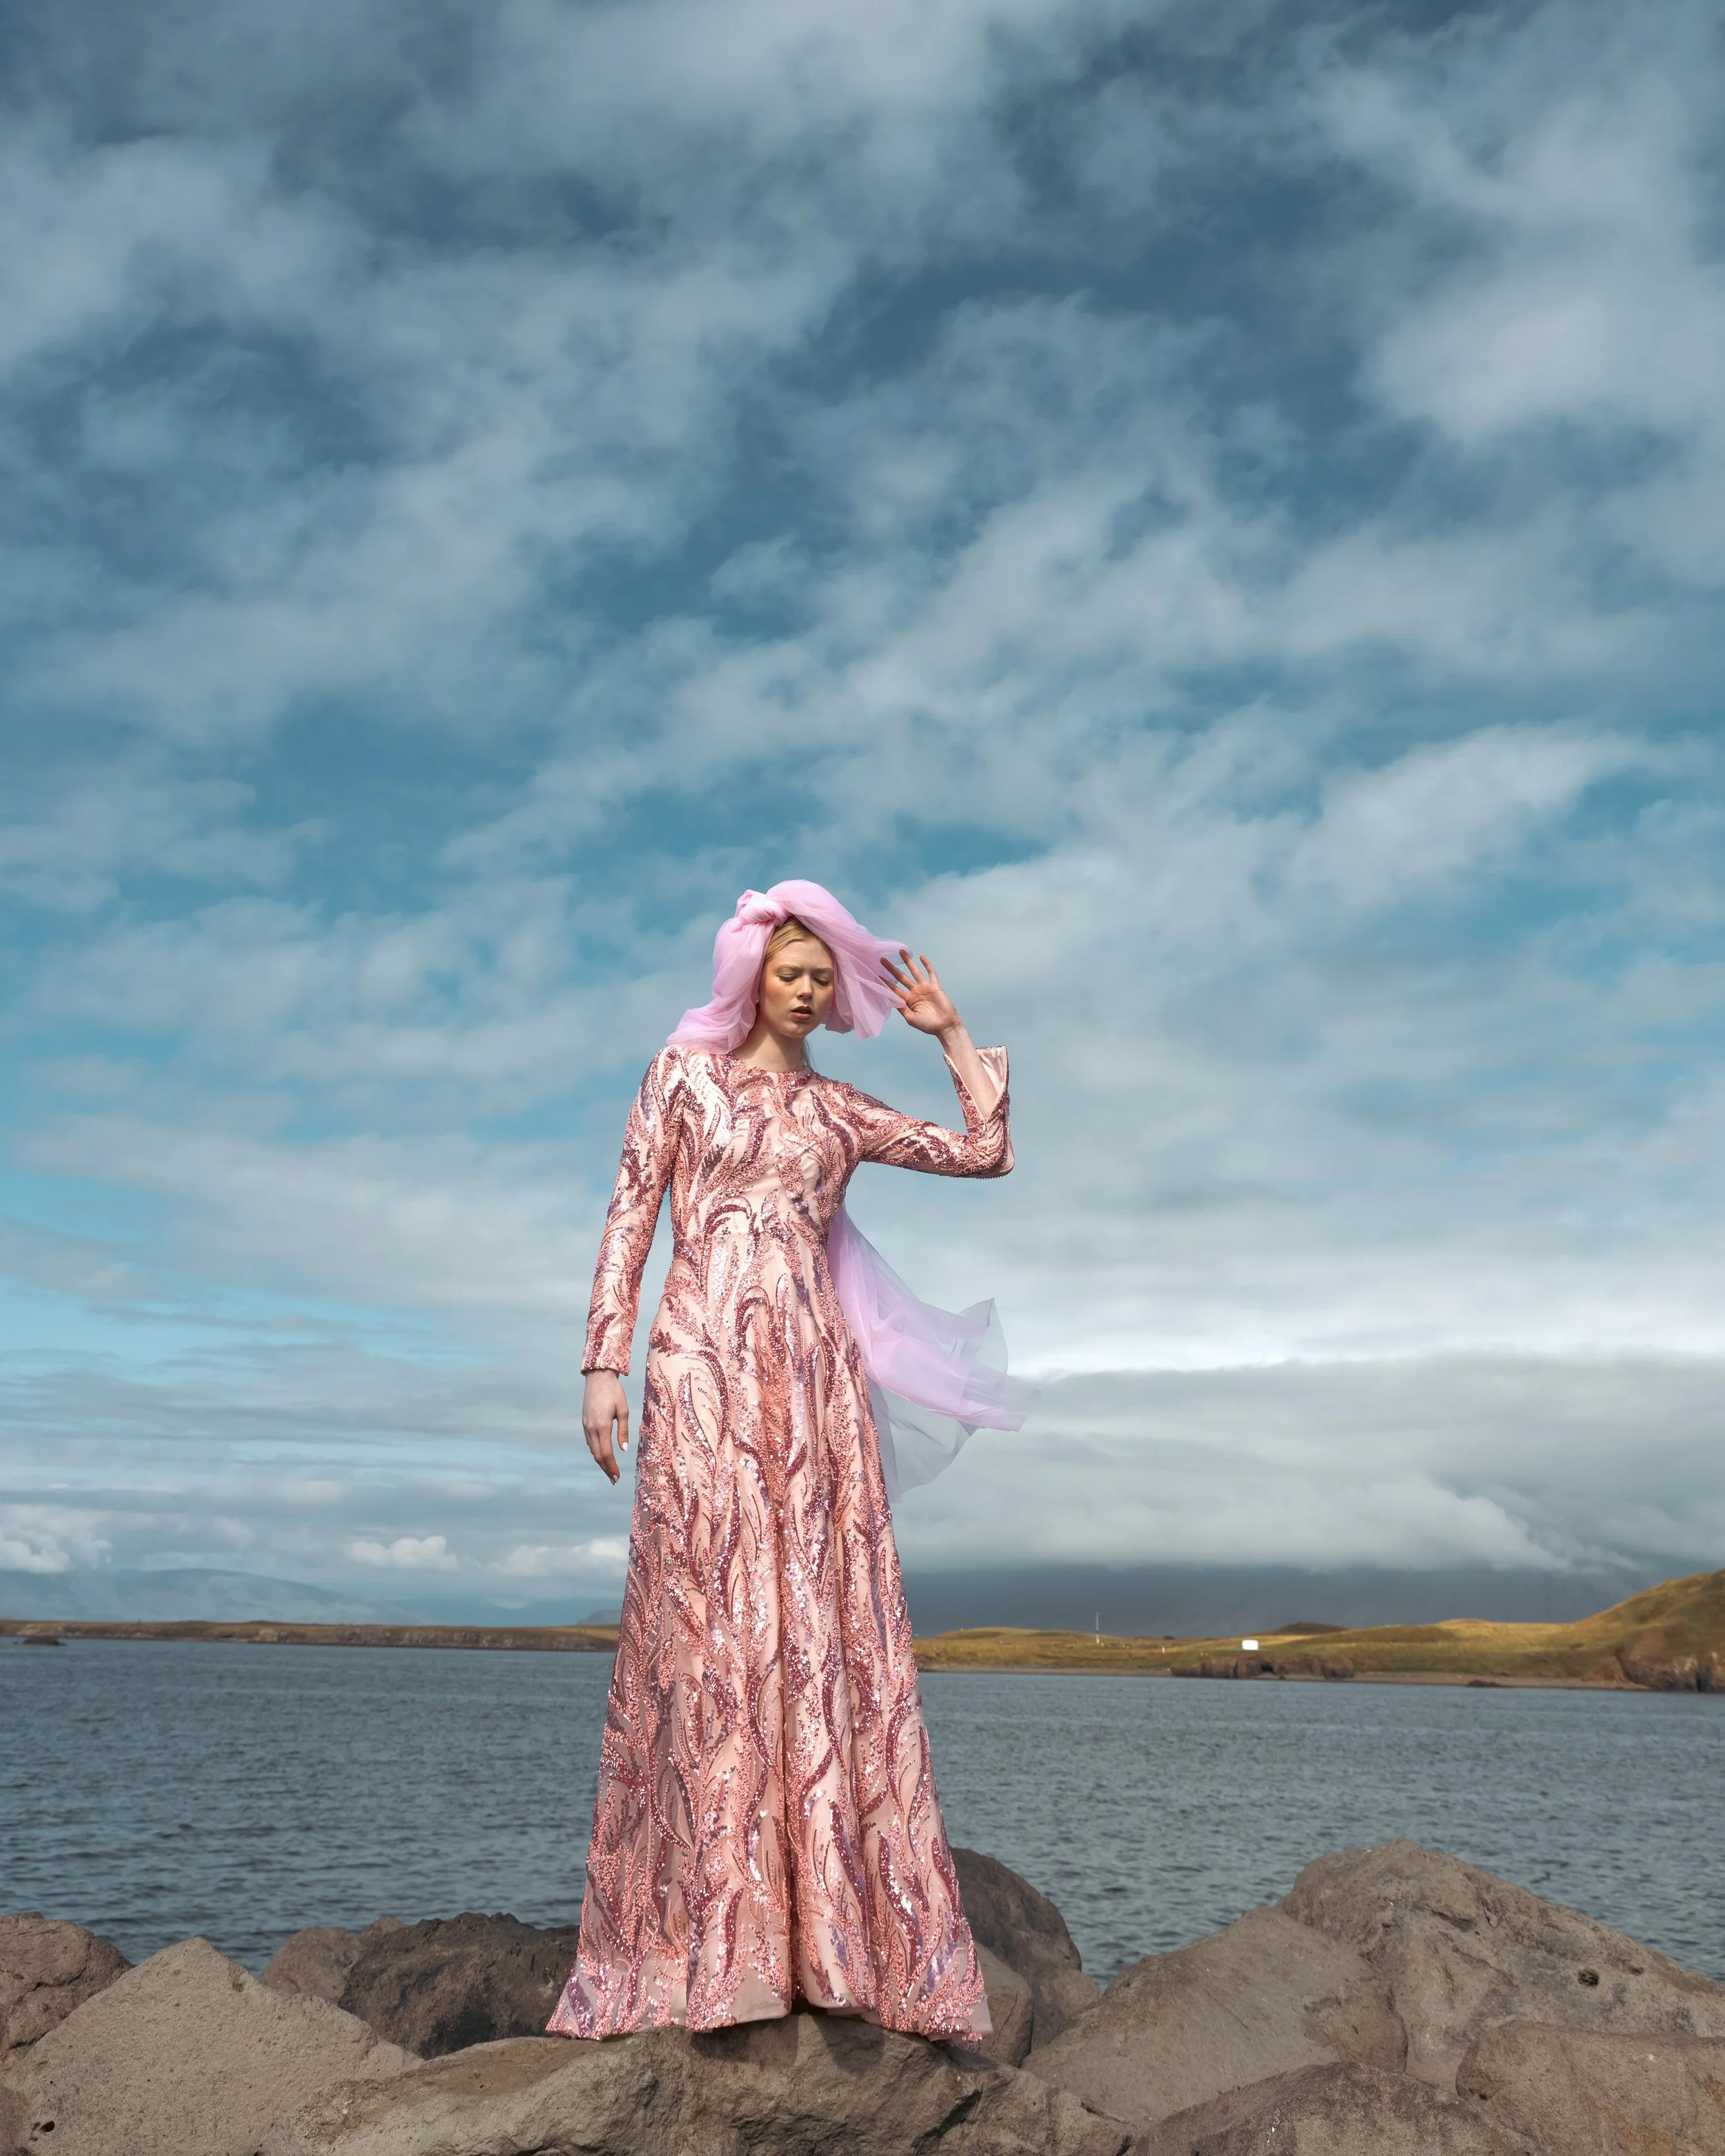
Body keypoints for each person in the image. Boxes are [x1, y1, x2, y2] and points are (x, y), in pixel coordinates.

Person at [548, 880, 1023, 2043]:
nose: (808, 992)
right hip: (702, 1368)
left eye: (824, 977)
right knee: (707, 1629)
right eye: (792, 972)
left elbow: (982, 1152)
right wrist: (601, 1364)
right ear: (749, 971)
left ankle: (828, 1942)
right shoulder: (681, 1078)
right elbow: (629, 1213)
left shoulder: (837, 1111)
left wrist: (953, 1036)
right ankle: (711, 1940)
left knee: (814, 1629)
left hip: (812, 1385)